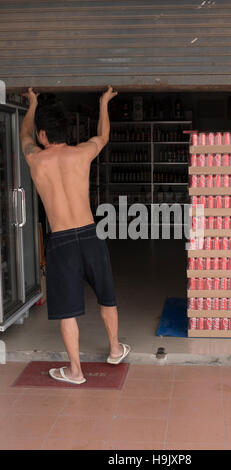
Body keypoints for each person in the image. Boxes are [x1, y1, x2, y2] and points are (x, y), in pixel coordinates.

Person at [20, 86, 130, 385]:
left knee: (67, 310)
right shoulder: (82, 153)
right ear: (66, 132)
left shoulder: (35, 160)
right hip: (90, 235)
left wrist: (31, 104)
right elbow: (103, 136)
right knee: (106, 298)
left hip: (62, 241)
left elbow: (24, 137)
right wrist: (104, 102)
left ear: (43, 134)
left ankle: (76, 371)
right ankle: (115, 348)